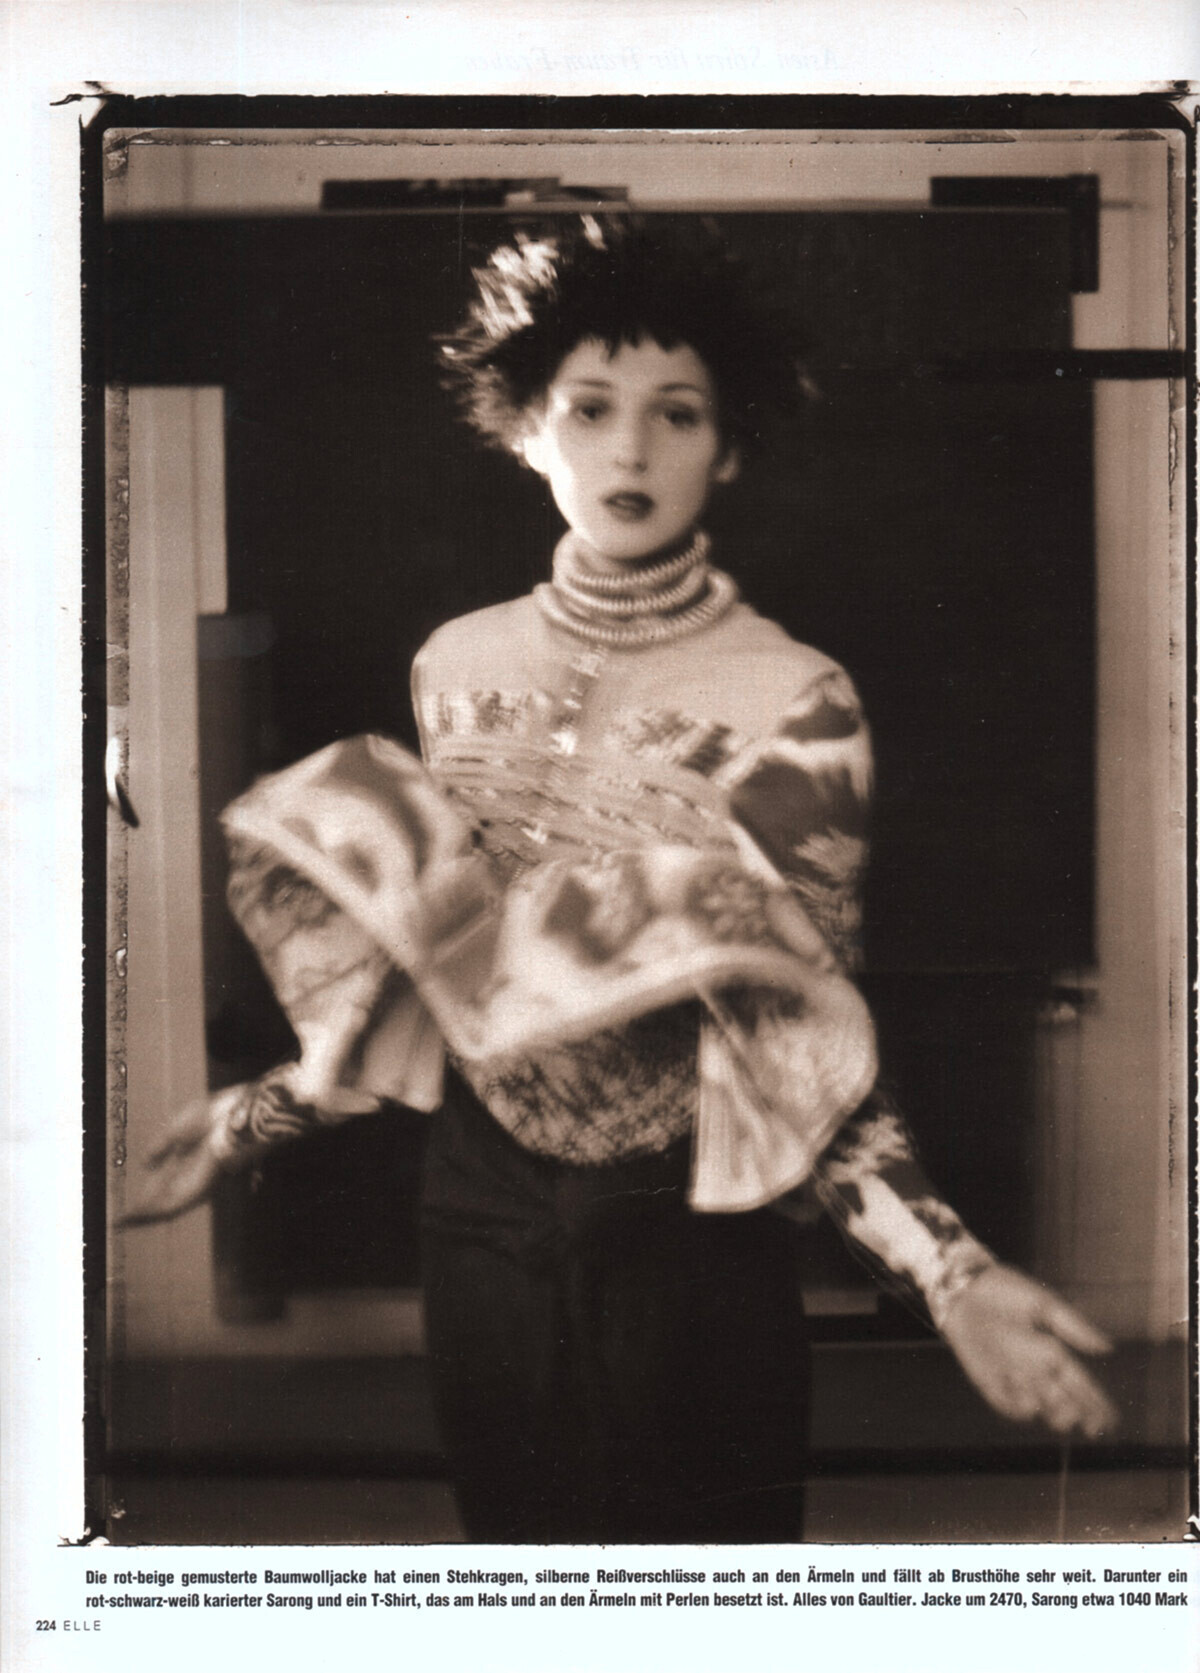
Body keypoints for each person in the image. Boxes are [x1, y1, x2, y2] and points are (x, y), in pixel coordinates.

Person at [127, 217, 1116, 1544]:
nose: (631, 450)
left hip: (687, 1226)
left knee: (708, 1594)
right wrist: (251, 1120)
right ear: (528, 429)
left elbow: (795, 1043)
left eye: (678, 413)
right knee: (520, 1579)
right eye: (590, 407)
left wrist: (950, 1273)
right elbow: (444, 973)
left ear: (731, 446)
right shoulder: (452, 662)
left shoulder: (798, 698)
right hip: (475, 1207)